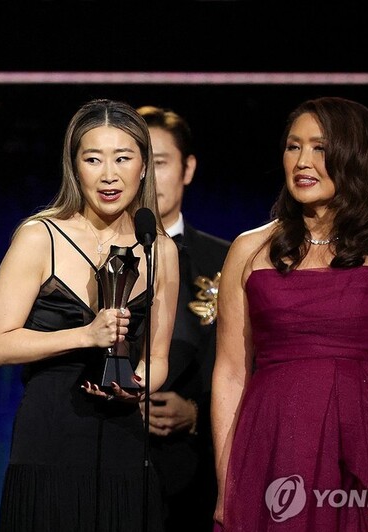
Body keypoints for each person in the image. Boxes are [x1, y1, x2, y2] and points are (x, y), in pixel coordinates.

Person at [212, 96, 368, 531]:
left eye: (320, 148)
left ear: (355, 157)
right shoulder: (249, 250)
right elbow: (231, 372)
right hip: (278, 444)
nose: (302, 161)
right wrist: (228, 481)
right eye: (293, 146)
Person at [0, 98, 179, 531]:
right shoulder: (40, 237)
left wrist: (135, 386)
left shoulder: (160, 248)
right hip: (49, 438)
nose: (109, 174)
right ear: (74, 167)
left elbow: (158, 357)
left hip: (124, 441)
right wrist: (85, 335)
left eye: (122, 158)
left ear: (143, 166)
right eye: (93, 159)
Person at [137, 105, 230, 531]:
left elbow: (249, 364)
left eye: (159, 163)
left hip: (198, 475)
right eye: (136, 163)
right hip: (108, 461)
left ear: (187, 168)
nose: (147, 179)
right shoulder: (87, 255)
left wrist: (196, 413)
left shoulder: (227, 261)